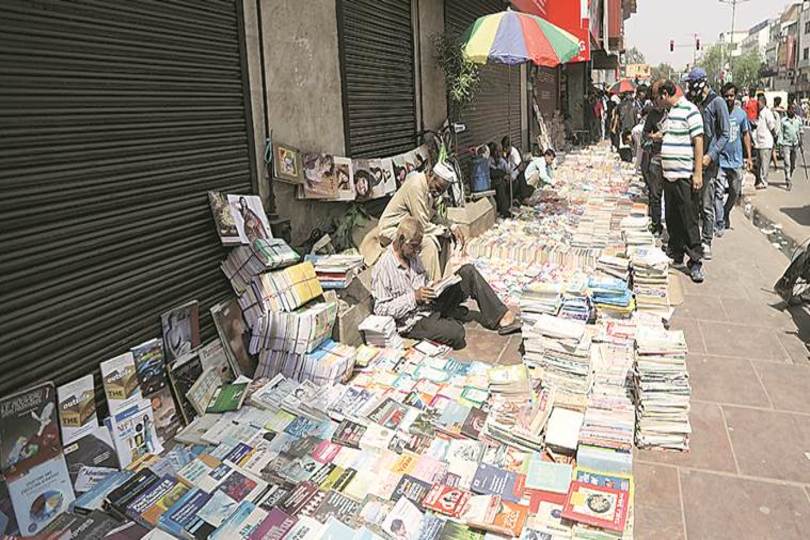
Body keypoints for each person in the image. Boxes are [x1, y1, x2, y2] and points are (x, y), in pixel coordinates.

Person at [371, 217, 521, 350]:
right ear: (401, 240)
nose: (417, 251)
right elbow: (380, 309)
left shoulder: (412, 256)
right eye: (414, 246)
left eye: (418, 247)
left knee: (468, 272)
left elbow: (422, 281)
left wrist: (436, 285)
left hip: (429, 303)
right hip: (413, 320)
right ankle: (446, 318)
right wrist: (413, 298)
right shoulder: (383, 267)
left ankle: (501, 317)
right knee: (457, 334)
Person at [359, 162, 465, 282]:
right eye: (438, 187)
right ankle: (428, 285)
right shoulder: (416, 186)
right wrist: (445, 230)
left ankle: (440, 281)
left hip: (411, 228)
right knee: (428, 243)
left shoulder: (430, 190)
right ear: (431, 175)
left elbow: (434, 216)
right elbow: (423, 224)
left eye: (442, 190)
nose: (438, 192)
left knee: (445, 239)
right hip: (392, 230)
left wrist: (452, 226)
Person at [657, 79, 705, 283]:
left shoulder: (690, 110)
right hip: (669, 175)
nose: (659, 102)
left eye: (659, 97)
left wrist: (698, 173)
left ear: (666, 94)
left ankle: (695, 261)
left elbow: (698, 141)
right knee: (673, 216)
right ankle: (676, 252)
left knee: (689, 219)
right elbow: (667, 135)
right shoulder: (672, 113)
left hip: (685, 175)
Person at [684, 67, 730, 260]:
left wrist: (710, 155)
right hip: (692, 161)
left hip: (709, 164)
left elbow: (725, 134)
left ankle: (707, 240)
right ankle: (692, 239)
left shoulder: (717, 102)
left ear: (701, 83)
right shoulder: (691, 102)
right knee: (692, 204)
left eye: (692, 83)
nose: (690, 87)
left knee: (706, 204)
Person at [716, 82, 753, 235]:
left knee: (734, 192)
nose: (729, 98)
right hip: (720, 160)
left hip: (736, 161)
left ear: (735, 96)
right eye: (726, 96)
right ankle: (719, 222)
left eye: (732, 95)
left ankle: (725, 212)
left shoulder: (741, 114)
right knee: (717, 192)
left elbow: (745, 135)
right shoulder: (717, 113)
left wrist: (749, 157)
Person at [643, 79, 668, 236]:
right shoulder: (652, 114)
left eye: (656, 98)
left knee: (672, 195)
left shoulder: (672, 111)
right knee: (655, 193)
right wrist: (654, 136)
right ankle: (656, 224)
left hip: (671, 158)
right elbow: (645, 134)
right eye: (652, 99)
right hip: (656, 158)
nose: (655, 102)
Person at [754, 93, 777, 189]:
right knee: (759, 163)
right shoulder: (760, 113)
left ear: (762, 102)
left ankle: (764, 182)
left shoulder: (767, 112)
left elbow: (772, 126)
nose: (757, 104)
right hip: (759, 143)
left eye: (758, 102)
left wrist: (775, 136)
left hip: (766, 142)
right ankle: (760, 180)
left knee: (764, 164)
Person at [781, 104, 803, 191]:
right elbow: (781, 133)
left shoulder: (798, 120)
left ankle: (789, 173)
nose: (792, 111)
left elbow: (801, 131)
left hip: (795, 144)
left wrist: (801, 141)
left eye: (793, 110)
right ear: (788, 111)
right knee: (787, 163)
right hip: (786, 144)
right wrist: (780, 144)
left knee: (793, 165)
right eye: (790, 109)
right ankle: (788, 180)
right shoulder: (783, 121)